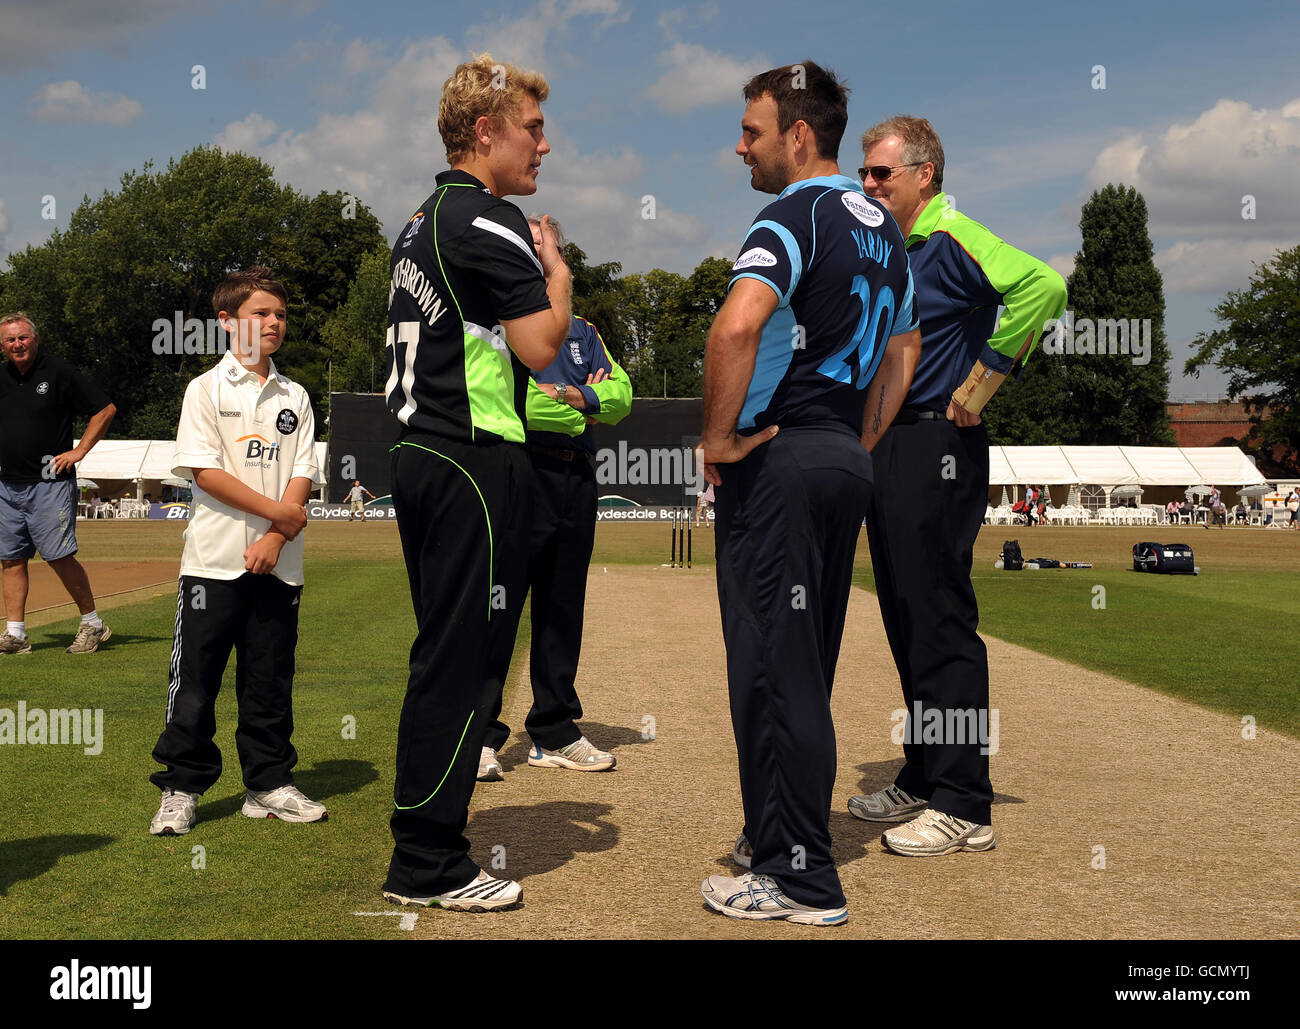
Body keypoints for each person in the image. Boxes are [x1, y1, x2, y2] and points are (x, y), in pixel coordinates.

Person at [698, 62, 922, 927]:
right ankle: (775, 837)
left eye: (752, 130)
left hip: (780, 461)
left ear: (798, 134)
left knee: (770, 670)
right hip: (840, 459)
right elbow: (902, 352)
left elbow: (738, 323)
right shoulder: (884, 229)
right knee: (799, 666)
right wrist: (857, 439)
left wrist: (718, 439)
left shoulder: (794, 210)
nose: (741, 146)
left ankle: (800, 875)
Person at [380, 54, 571, 914]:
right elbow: (540, 345)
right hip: (469, 456)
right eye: (532, 128)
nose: (544, 144)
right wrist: (558, 277)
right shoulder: (488, 216)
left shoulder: (420, 219)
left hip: (422, 452)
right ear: (485, 131)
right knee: (461, 663)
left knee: (446, 654)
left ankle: (428, 846)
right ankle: (428, 858)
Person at [848, 116, 1067, 857]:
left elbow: (1044, 286)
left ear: (925, 175)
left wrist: (981, 386)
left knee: (939, 618)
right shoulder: (889, 248)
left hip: (938, 445)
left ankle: (965, 800)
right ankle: (924, 770)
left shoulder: (954, 235)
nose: (868, 184)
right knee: (907, 618)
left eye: (881, 174)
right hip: (889, 443)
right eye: (864, 173)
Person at [148, 266, 325, 836]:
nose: (273, 322)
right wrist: (278, 517)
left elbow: (303, 474)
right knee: (196, 682)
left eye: (279, 314)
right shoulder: (204, 389)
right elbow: (205, 473)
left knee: (269, 680)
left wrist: (276, 537)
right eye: (260, 313)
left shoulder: (295, 393)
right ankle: (181, 787)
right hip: (213, 562)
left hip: (280, 564)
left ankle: (268, 784)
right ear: (227, 322)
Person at [478, 215, 632, 783]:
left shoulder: (584, 330)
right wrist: (580, 403)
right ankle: (480, 735)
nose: (541, 257)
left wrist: (571, 394)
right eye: (533, 247)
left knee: (562, 606)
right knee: (500, 603)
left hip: (576, 476)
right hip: (520, 469)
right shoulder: (501, 322)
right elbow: (522, 407)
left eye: (549, 249)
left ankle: (554, 730)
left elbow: (622, 398)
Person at [0, 312, 117, 656]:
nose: (18, 344)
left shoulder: (58, 372)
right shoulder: (1, 377)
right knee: (10, 560)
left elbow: (105, 409)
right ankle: (16, 634)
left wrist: (79, 450)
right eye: (10, 340)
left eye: (23, 337)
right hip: (7, 485)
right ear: (2, 345)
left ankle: (93, 624)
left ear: (35, 340)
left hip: (50, 481)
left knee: (59, 557)